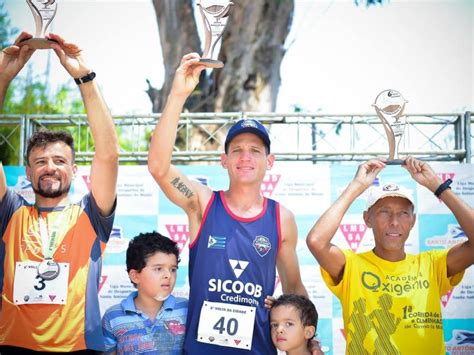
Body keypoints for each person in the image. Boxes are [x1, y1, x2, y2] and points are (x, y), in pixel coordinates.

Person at [147, 53, 308, 354]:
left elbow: (295, 289)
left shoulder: (281, 218)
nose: (245, 157)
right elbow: (158, 166)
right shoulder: (202, 203)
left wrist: (309, 341)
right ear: (224, 160)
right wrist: (179, 93)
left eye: (255, 150)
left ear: (269, 161)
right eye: (237, 150)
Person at [0, 32, 119, 353]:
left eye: (59, 160)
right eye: (40, 161)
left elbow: (108, 154)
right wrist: (2, 79)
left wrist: (84, 77)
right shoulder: (10, 211)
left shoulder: (91, 214)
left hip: (79, 348)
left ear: (74, 169)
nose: (49, 167)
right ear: (26, 172)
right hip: (13, 347)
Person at [306, 157, 474, 354]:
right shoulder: (352, 265)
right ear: (367, 218)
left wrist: (438, 186)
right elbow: (316, 241)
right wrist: (357, 186)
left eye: (403, 213)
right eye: (384, 212)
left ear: (413, 221)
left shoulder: (432, 264)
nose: (394, 221)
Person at [102, 232, 188, 355]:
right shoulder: (112, 316)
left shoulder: (186, 309)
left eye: (173, 269)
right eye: (158, 269)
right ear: (135, 276)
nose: (168, 275)